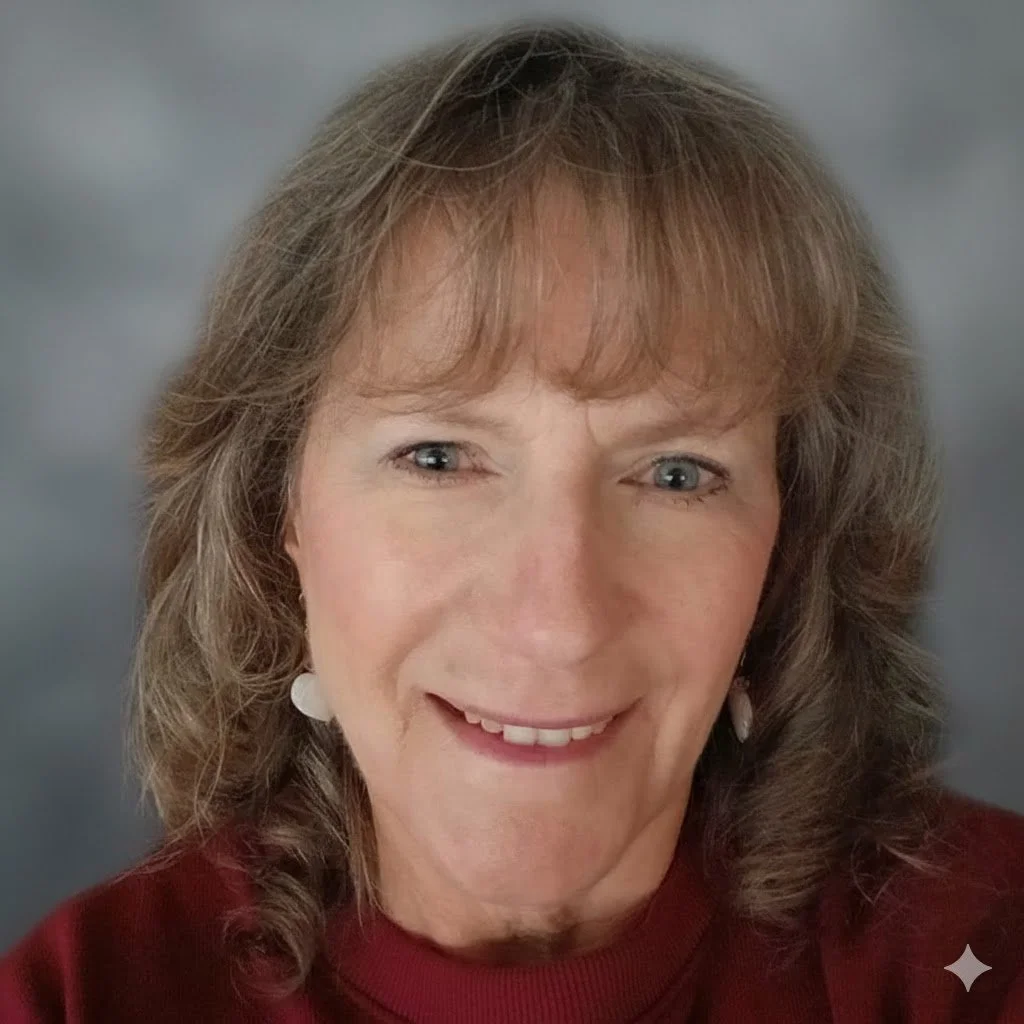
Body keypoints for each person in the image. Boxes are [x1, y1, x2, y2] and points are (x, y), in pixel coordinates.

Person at [3, 17, 1023, 1024]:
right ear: (281, 511)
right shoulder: (84, 997)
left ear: (788, 544)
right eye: (439, 457)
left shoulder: (980, 957)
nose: (558, 618)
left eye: (674, 473)